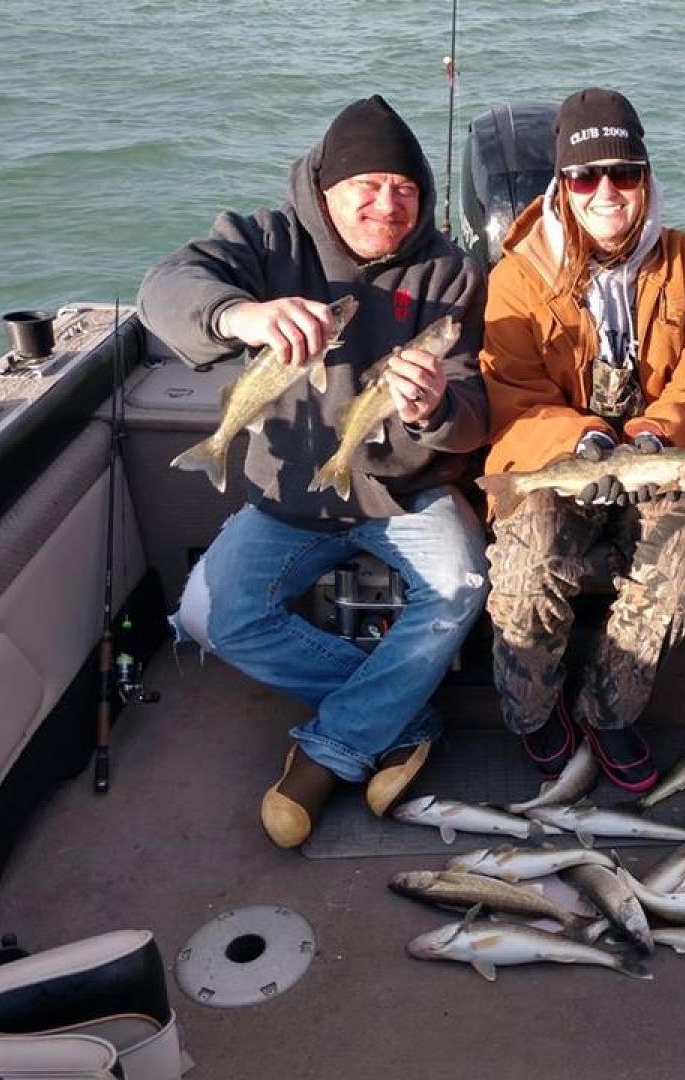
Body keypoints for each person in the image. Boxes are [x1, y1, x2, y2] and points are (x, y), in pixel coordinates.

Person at [138, 96, 489, 848]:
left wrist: (433, 410)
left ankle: (331, 747)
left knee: (460, 585)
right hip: (291, 491)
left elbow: (474, 413)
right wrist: (239, 315)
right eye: (366, 185)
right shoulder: (266, 241)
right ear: (324, 189)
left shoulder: (453, 272)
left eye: (404, 188)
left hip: (407, 491)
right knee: (214, 616)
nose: (386, 204)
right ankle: (396, 716)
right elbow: (164, 288)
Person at [479, 88, 685, 792]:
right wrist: (581, 438)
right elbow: (511, 397)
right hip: (556, 462)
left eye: (623, 173)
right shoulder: (517, 277)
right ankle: (533, 714)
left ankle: (607, 709)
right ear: (562, 184)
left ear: (646, 177)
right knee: (529, 564)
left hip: (653, 462)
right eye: (585, 176)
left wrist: (655, 438)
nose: (606, 192)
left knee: (681, 563)